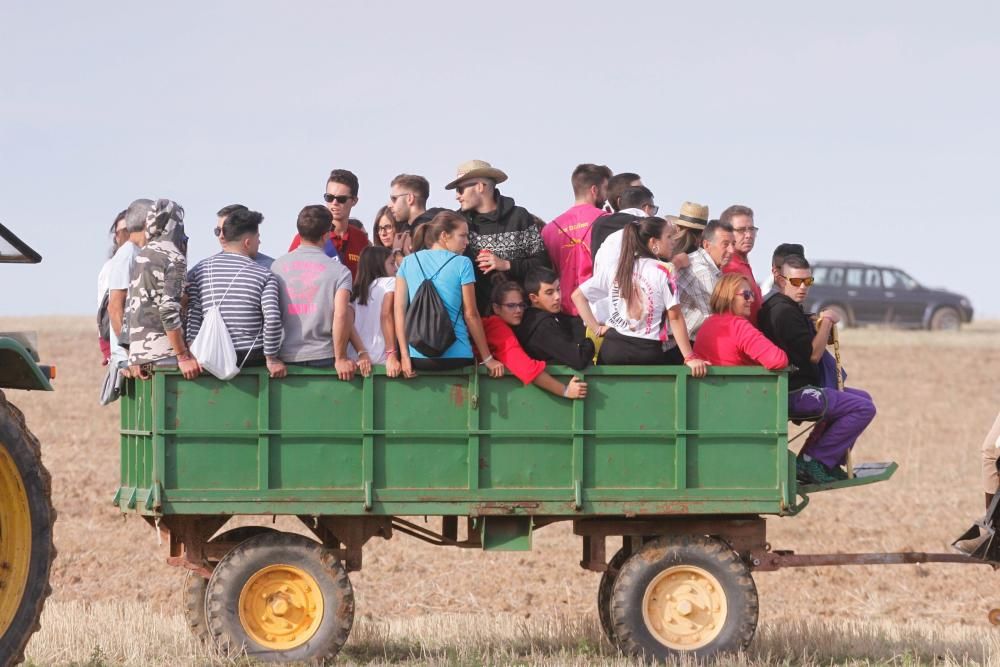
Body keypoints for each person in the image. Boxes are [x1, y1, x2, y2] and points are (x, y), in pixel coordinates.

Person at [758, 254, 876, 484]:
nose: (802, 287)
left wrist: (813, 321)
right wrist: (828, 323)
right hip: (793, 392)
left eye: (807, 282)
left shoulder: (784, 306)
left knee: (863, 398)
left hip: (801, 388)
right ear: (781, 280)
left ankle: (817, 461)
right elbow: (813, 354)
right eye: (795, 282)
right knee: (862, 408)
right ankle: (816, 462)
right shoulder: (784, 312)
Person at [572, 217, 706, 375]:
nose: (673, 242)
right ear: (653, 243)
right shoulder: (664, 271)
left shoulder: (617, 267)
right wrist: (690, 357)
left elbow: (577, 296)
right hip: (646, 352)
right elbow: (675, 317)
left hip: (612, 349)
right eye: (668, 237)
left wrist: (596, 328)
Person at [394, 211, 503, 377]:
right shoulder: (463, 263)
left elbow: (399, 311)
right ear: (444, 235)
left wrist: (404, 356)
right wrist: (488, 359)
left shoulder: (408, 261)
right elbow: (471, 315)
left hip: (418, 357)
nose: (467, 242)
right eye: (463, 236)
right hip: (457, 356)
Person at [185, 208, 286, 378]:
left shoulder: (200, 270)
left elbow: (193, 315)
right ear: (247, 242)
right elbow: (273, 318)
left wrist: (194, 351)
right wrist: (272, 358)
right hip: (250, 355)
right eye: (257, 238)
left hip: (210, 354)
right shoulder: (265, 274)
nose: (259, 243)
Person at [447, 159, 550, 313]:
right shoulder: (456, 223)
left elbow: (543, 265)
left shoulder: (519, 216)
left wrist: (506, 264)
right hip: (478, 320)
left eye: (460, 189)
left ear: (480, 187)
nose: (457, 196)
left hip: (521, 316)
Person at [270, 205, 358, 380]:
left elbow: (270, 311)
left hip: (285, 357)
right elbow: (341, 314)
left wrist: (271, 357)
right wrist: (341, 358)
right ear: (326, 235)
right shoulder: (340, 271)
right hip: (324, 356)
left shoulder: (276, 267)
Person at [126, 199, 200, 380]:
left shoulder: (142, 254)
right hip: (163, 352)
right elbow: (168, 310)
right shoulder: (174, 257)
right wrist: (183, 356)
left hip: (139, 354)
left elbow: (133, 306)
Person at [484, 282, 588, 399]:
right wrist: (565, 390)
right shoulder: (496, 327)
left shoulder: (508, 326)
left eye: (521, 305)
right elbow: (526, 367)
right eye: (511, 306)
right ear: (496, 308)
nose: (518, 310)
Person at [542, 163, 610, 320]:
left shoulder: (548, 230)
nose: (607, 197)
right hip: (601, 310)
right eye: (606, 190)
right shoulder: (607, 221)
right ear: (594, 190)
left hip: (564, 309)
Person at [692, 274, 788, 370]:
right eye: (746, 295)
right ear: (730, 297)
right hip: (737, 384)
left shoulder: (706, 324)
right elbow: (778, 359)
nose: (751, 299)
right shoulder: (738, 326)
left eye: (752, 294)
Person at [289, 169, 369, 276]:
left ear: (354, 201)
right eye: (329, 197)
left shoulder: (360, 239)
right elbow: (290, 274)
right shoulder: (305, 237)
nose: (334, 203)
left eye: (341, 199)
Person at [515, 267, 594, 370]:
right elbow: (579, 359)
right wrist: (591, 341)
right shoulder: (543, 326)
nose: (557, 296)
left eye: (558, 289)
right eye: (549, 293)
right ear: (534, 298)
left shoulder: (550, 317)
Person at [673, 219, 736, 345]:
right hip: (677, 347)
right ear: (706, 245)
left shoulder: (708, 266)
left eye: (733, 244)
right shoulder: (703, 272)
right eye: (725, 244)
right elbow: (719, 319)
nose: (732, 250)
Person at [107, 199, 153, 370]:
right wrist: (133, 356)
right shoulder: (127, 255)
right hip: (130, 359)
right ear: (148, 222)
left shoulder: (139, 253)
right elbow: (115, 307)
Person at [348, 246, 402, 377]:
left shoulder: (356, 291)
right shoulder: (390, 282)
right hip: (381, 356)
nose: (395, 268)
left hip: (356, 357)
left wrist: (361, 352)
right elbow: (386, 315)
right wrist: (391, 354)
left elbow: (348, 324)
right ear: (378, 265)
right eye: (391, 263)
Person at [720, 205, 762, 324]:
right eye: (741, 230)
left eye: (751, 229)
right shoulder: (729, 267)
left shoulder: (743, 264)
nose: (748, 235)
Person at [591, 185, 656, 260]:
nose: (654, 214)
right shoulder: (646, 225)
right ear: (646, 208)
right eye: (654, 209)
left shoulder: (599, 223)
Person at [97, 209, 128, 364]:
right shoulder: (111, 268)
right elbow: (106, 310)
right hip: (122, 353)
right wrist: (107, 350)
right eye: (119, 232)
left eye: (127, 230)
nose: (123, 236)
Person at [216, 203, 275, 269]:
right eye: (218, 231)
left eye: (227, 230)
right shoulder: (207, 269)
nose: (221, 236)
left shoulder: (271, 268)